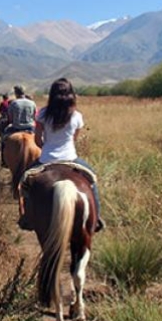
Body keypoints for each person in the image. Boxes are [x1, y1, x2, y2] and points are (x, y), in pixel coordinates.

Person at [22, 78, 105, 232]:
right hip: (71, 158)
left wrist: (46, 146)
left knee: (25, 182)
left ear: (52, 95)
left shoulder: (42, 114)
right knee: (92, 181)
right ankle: (97, 218)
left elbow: (38, 140)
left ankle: (27, 217)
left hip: (46, 159)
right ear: (71, 95)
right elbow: (74, 139)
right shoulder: (77, 116)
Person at [0, 85, 37, 166]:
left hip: (16, 128)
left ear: (16, 93)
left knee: (3, 139)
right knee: (42, 140)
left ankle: (3, 161)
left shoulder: (13, 103)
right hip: (31, 128)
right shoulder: (32, 103)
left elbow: (10, 119)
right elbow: (34, 117)